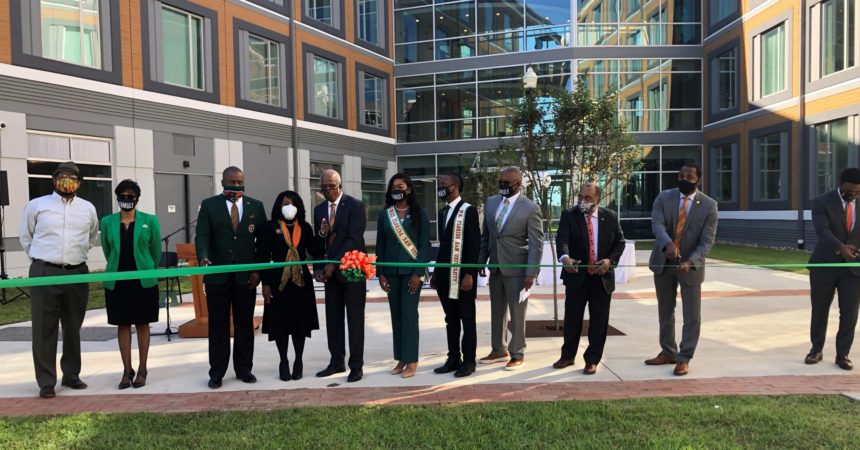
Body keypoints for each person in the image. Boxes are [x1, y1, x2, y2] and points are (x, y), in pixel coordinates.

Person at [19, 161, 99, 399]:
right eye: (62, 177)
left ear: (79, 182)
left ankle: (71, 374)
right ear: (54, 180)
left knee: (73, 326)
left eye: (72, 178)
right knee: (44, 327)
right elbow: (26, 237)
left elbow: (91, 236)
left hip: (76, 272)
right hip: (45, 271)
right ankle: (46, 381)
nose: (67, 181)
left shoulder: (87, 208)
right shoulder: (37, 205)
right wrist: (42, 259)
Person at [195, 166, 267, 389]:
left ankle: (244, 368)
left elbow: (263, 243)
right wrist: (204, 257)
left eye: (239, 181)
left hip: (246, 278)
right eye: (232, 181)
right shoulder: (209, 205)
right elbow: (202, 236)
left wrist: (258, 271)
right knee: (218, 325)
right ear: (223, 181)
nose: (236, 185)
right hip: (218, 277)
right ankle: (217, 372)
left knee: (245, 324)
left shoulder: (256, 206)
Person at [646, 162, 718, 376]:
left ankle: (684, 357)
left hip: (691, 267)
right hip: (663, 262)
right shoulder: (664, 197)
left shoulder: (709, 205)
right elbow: (656, 224)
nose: (684, 179)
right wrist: (668, 243)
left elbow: (707, 241)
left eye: (689, 177)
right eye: (681, 175)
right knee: (665, 311)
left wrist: (692, 261)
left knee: (692, 315)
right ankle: (668, 352)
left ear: (699, 180)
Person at [553, 183, 625, 375]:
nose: (582, 202)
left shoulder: (609, 217)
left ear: (597, 200)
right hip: (577, 276)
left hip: (601, 278)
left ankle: (592, 360)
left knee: (599, 321)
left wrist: (610, 261)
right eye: (580, 197)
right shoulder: (570, 215)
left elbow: (620, 242)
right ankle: (567, 356)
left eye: (587, 198)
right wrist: (564, 258)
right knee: (572, 319)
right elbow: (562, 240)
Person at [477, 166, 544, 370]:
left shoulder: (530, 208)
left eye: (508, 183)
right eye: (501, 182)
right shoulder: (490, 203)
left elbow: (536, 243)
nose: (503, 186)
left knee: (517, 313)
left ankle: (517, 352)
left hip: (518, 268)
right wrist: (482, 261)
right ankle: (498, 349)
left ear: (518, 184)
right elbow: (486, 236)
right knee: (497, 311)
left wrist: (531, 272)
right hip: (495, 266)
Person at [100, 179, 162, 389]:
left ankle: (143, 369)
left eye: (130, 196)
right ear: (117, 197)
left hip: (142, 281)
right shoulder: (107, 222)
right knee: (123, 324)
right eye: (122, 196)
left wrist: (148, 267)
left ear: (137, 198)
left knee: (143, 324)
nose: (126, 200)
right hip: (118, 282)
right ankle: (127, 370)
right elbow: (108, 250)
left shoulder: (149, 220)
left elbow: (155, 251)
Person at [259, 191, 322, 381]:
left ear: (299, 207)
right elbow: (262, 255)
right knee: (280, 323)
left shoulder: (304, 227)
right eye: (285, 203)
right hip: (278, 281)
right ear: (279, 206)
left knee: (299, 323)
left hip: (301, 281)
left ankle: (299, 361)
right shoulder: (270, 227)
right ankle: (283, 360)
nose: (289, 206)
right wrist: (265, 283)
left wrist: (321, 234)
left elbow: (315, 250)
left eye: (293, 203)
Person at [313, 169, 367, 383]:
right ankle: (336, 362)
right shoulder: (319, 211)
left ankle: (356, 366)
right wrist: (319, 267)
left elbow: (353, 239)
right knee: (333, 318)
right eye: (323, 187)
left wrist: (332, 264)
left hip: (351, 269)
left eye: (331, 186)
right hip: (330, 274)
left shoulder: (355, 205)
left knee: (354, 319)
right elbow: (319, 243)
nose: (327, 191)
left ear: (340, 184)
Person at [376, 174, 430, 378]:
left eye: (400, 186)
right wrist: (380, 273)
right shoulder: (385, 215)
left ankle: (412, 361)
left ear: (408, 189)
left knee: (409, 316)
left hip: (410, 273)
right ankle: (401, 358)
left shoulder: (420, 213)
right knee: (396, 316)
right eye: (393, 187)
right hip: (391, 273)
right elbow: (380, 245)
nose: (396, 189)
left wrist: (418, 272)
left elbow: (424, 244)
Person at [806, 167, 860, 371]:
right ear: (840, 183)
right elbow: (822, 230)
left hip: (853, 269)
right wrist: (840, 247)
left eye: (857, 192)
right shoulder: (822, 202)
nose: (853, 195)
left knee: (850, 313)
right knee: (820, 309)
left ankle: (842, 355)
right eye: (849, 191)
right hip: (824, 265)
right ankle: (816, 350)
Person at [431, 173, 481, 378]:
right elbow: (443, 246)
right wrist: (435, 272)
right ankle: (453, 358)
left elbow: (474, 243)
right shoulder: (443, 212)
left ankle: (469, 360)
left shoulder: (468, 211)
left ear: (455, 186)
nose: (440, 187)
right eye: (439, 184)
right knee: (450, 318)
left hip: (463, 277)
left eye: (444, 184)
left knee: (466, 318)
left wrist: (469, 273)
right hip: (444, 275)